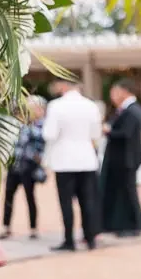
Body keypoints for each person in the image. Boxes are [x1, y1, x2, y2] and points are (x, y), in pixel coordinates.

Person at [42, 80, 101, 251]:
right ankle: (90, 238)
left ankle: (69, 240)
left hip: (64, 160)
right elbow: (95, 133)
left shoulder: (56, 106)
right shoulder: (91, 105)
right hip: (87, 158)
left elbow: (49, 133)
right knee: (87, 201)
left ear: (64, 86)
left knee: (66, 203)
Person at [100, 79, 141, 237]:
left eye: (114, 92)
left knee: (128, 193)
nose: (112, 96)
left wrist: (107, 131)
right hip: (121, 159)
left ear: (124, 91)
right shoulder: (124, 110)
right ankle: (119, 223)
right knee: (121, 193)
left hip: (127, 159)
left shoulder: (132, 111)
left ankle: (134, 224)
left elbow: (126, 133)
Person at [1, 96, 47, 240]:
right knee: (8, 195)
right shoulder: (18, 123)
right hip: (15, 164)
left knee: (30, 196)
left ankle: (33, 228)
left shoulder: (42, 125)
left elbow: (42, 139)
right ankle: (6, 227)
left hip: (30, 166)